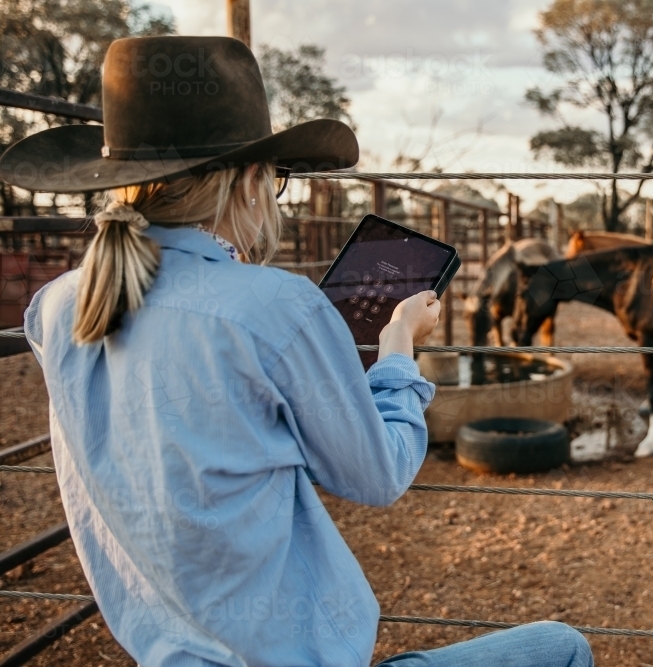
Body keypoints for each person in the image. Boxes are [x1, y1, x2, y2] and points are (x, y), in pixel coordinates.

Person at [1, 36, 593, 667]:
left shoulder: (58, 306)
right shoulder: (277, 306)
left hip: (158, 650)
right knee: (561, 649)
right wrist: (395, 348)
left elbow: (200, 440)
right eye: (277, 178)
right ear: (252, 179)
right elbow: (378, 474)